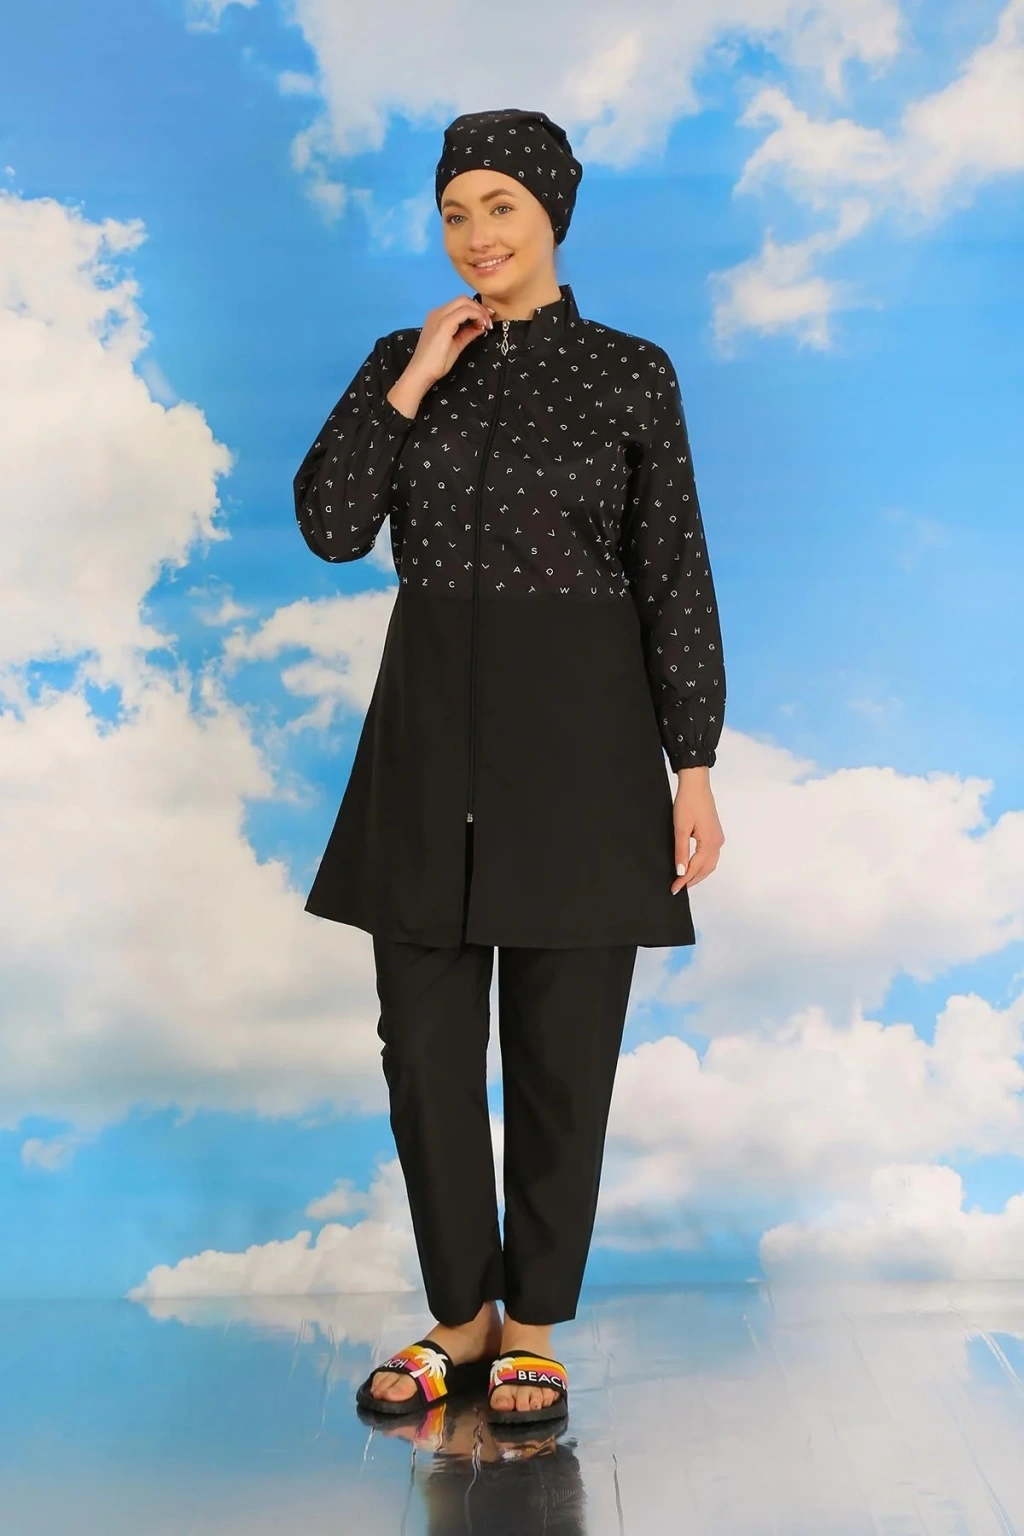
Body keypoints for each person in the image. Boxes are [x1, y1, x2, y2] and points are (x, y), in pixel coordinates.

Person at [293, 107, 726, 1424]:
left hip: (584, 750)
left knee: (561, 1054)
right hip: (427, 743)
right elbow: (331, 526)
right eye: (454, 213)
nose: (476, 235)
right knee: (422, 1051)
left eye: (501, 207)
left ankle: (532, 1322)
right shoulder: (402, 358)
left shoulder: (631, 373)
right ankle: (459, 1317)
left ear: (551, 214)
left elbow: (673, 572)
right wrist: (414, 380)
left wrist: (694, 765)